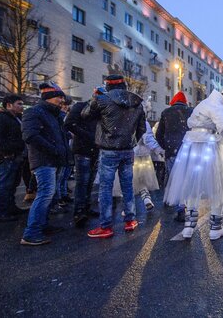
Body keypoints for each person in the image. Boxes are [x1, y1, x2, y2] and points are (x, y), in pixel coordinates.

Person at [164, 76, 223, 240]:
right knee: (218, 186)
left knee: (192, 185)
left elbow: (191, 122)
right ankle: (215, 228)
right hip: (208, 147)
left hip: (191, 147)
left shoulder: (204, 104)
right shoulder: (216, 106)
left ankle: (188, 227)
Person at [82, 72, 146, 239]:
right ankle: (130, 220)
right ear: (123, 85)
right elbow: (142, 129)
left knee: (105, 188)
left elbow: (85, 115)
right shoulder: (137, 102)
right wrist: (130, 141)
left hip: (109, 149)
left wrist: (94, 97)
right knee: (127, 186)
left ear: (108, 85)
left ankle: (106, 226)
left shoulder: (102, 99)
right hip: (127, 150)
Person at [21, 83, 70, 245]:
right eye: (59, 97)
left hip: (54, 160)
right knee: (45, 194)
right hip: (43, 160)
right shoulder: (34, 112)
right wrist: (54, 149)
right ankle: (31, 233)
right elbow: (30, 136)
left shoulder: (54, 115)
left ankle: (42, 225)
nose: (61, 100)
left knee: (50, 194)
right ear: (49, 98)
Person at [64, 86, 103, 227]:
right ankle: (79, 211)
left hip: (95, 150)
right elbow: (69, 124)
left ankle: (85, 207)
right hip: (82, 149)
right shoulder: (80, 107)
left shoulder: (101, 112)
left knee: (90, 181)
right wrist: (89, 136)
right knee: (82, 181)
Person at [155, 90, 192, 221]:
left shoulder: (166, 113)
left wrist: (166, 147)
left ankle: (179, 207)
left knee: (174, 178)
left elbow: (159, 134)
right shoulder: (191, 112)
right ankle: (186, 206)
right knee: (186, 179)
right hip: (188, 150)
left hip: (172, 151)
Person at [113, 119, 162, 211]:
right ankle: (146, 199)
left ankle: (128, 208)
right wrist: (159, 150)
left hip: (127, 154)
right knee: (142, 180)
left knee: (127, 181)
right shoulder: (143, 121)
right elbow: (148, 138)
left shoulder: (122, 118)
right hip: (143, 156)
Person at [0, 94, 26, 222]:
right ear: (9, 105)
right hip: (5, 157)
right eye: (19, 104)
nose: (22, 107)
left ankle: (10, 207)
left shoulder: (16, 118)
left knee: (11, 184)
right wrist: (8, 151)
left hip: (14, 155)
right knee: (2, 185)